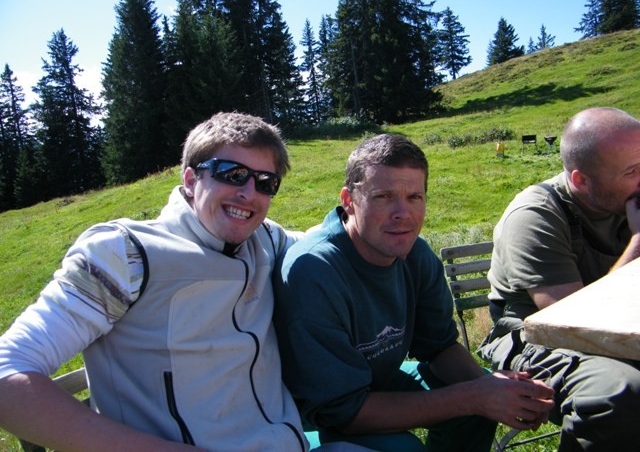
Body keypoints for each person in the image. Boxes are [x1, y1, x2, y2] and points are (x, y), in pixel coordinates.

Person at [0, 112, 314, 451]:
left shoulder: (265, 240)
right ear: (191, 180)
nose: (249, 193)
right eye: (232, 174)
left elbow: (327, 241)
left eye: (265, 182)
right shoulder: (125, 254)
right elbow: (6, 371)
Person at [273, 133, 555, 452]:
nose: (402, 213)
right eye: (384, 196)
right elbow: (341, 411)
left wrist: (490, 388)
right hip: (306, 411)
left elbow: (439, 346)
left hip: (374, 379)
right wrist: (472, 396)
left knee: (477, 403)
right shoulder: (314, 271)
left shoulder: (415, 255)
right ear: (348, 201)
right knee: (404, 445)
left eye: (414, 197)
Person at [479, 107, 640, 451]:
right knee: (620, 390)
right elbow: (575, 324)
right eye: (632, 171)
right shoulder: (535, 216)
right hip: (534, 338)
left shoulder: (627, 200)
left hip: (623, 331)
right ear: (581, 180)